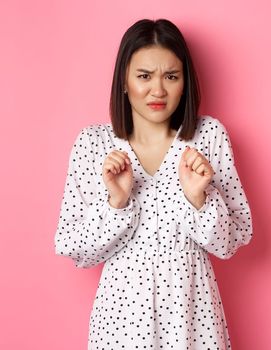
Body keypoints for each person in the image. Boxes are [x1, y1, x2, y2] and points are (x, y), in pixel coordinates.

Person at [54, 18, 253, 349]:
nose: (158, 90)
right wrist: (115, 203)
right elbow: (73, 247)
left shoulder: (208, 137)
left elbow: (232, 240)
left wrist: (198, 199)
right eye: (144, 76)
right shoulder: (94, 144)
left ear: (185, 83)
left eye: (171, 76)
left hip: (192, 317)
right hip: (120, 322)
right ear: (124, 80)